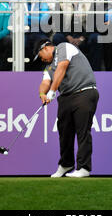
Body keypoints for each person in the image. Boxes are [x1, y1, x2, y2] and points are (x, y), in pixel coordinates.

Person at [35, 38, 99, 178]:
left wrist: (52, 91)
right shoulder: (48, 67)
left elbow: (62, 68)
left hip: (84, 92)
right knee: (65, 133)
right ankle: (66, 164)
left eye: (41, 57)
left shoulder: (64, 47)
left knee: (83, 131)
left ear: (45, 48)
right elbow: (45, 82)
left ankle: (84, 168)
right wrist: (42, 94)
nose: (42, 60)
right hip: (66, 98)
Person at [52, 0, 103, 72]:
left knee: (96, 37)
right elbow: (58, 22)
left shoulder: (89, 0)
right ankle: (60, 71)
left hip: (84, 35)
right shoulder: (60, 0)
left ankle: (95, 71)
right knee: (57, 37)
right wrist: (68, 37)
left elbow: (93, 23)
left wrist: (82, 38)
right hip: (67, 36)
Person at [17, 0, 49, 70]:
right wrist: (34, 17)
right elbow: (18, 20)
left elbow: (44, 20)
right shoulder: (17, 2)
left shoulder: (42, 3)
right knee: (22, 43)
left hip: (38, 31)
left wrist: (27, 17)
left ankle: (40, 72)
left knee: (44, 43)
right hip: (23, 33)